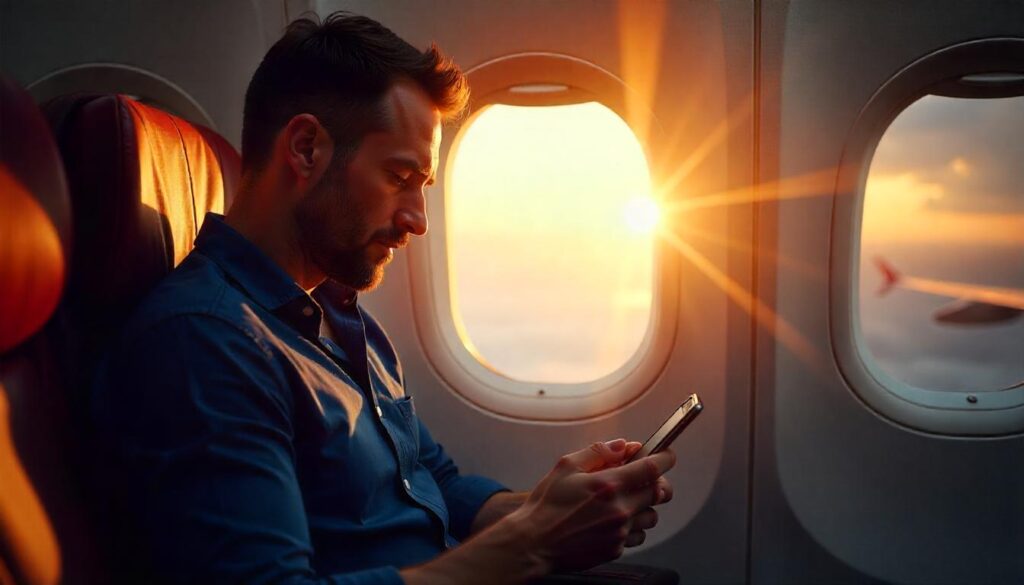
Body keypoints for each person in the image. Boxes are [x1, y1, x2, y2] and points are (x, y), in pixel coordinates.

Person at [91, 12, 675, 585]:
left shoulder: (343, 319)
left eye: (424, 188)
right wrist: (531, 544)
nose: (418, 220)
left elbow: (431, 481)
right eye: (401, 178)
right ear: (305, 149)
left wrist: (552, 505)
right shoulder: (205, 344)